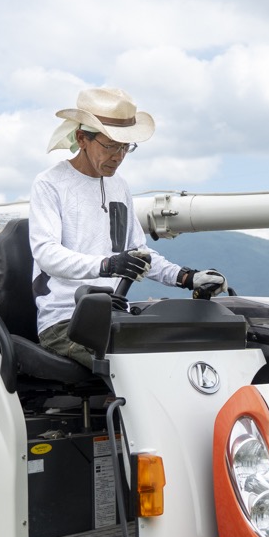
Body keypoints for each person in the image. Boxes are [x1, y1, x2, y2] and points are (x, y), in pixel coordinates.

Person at [30, 86, 227, 365]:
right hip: (65, 321)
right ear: (81, 138)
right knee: (132, 367)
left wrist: (186, 277)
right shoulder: (50, 184)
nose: (118, 156)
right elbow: (47, 255)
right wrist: (107, 265)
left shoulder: (118, 186)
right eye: (110, 146)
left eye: (125, 147)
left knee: (179, 353)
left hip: (110, 316)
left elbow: (138, 254)